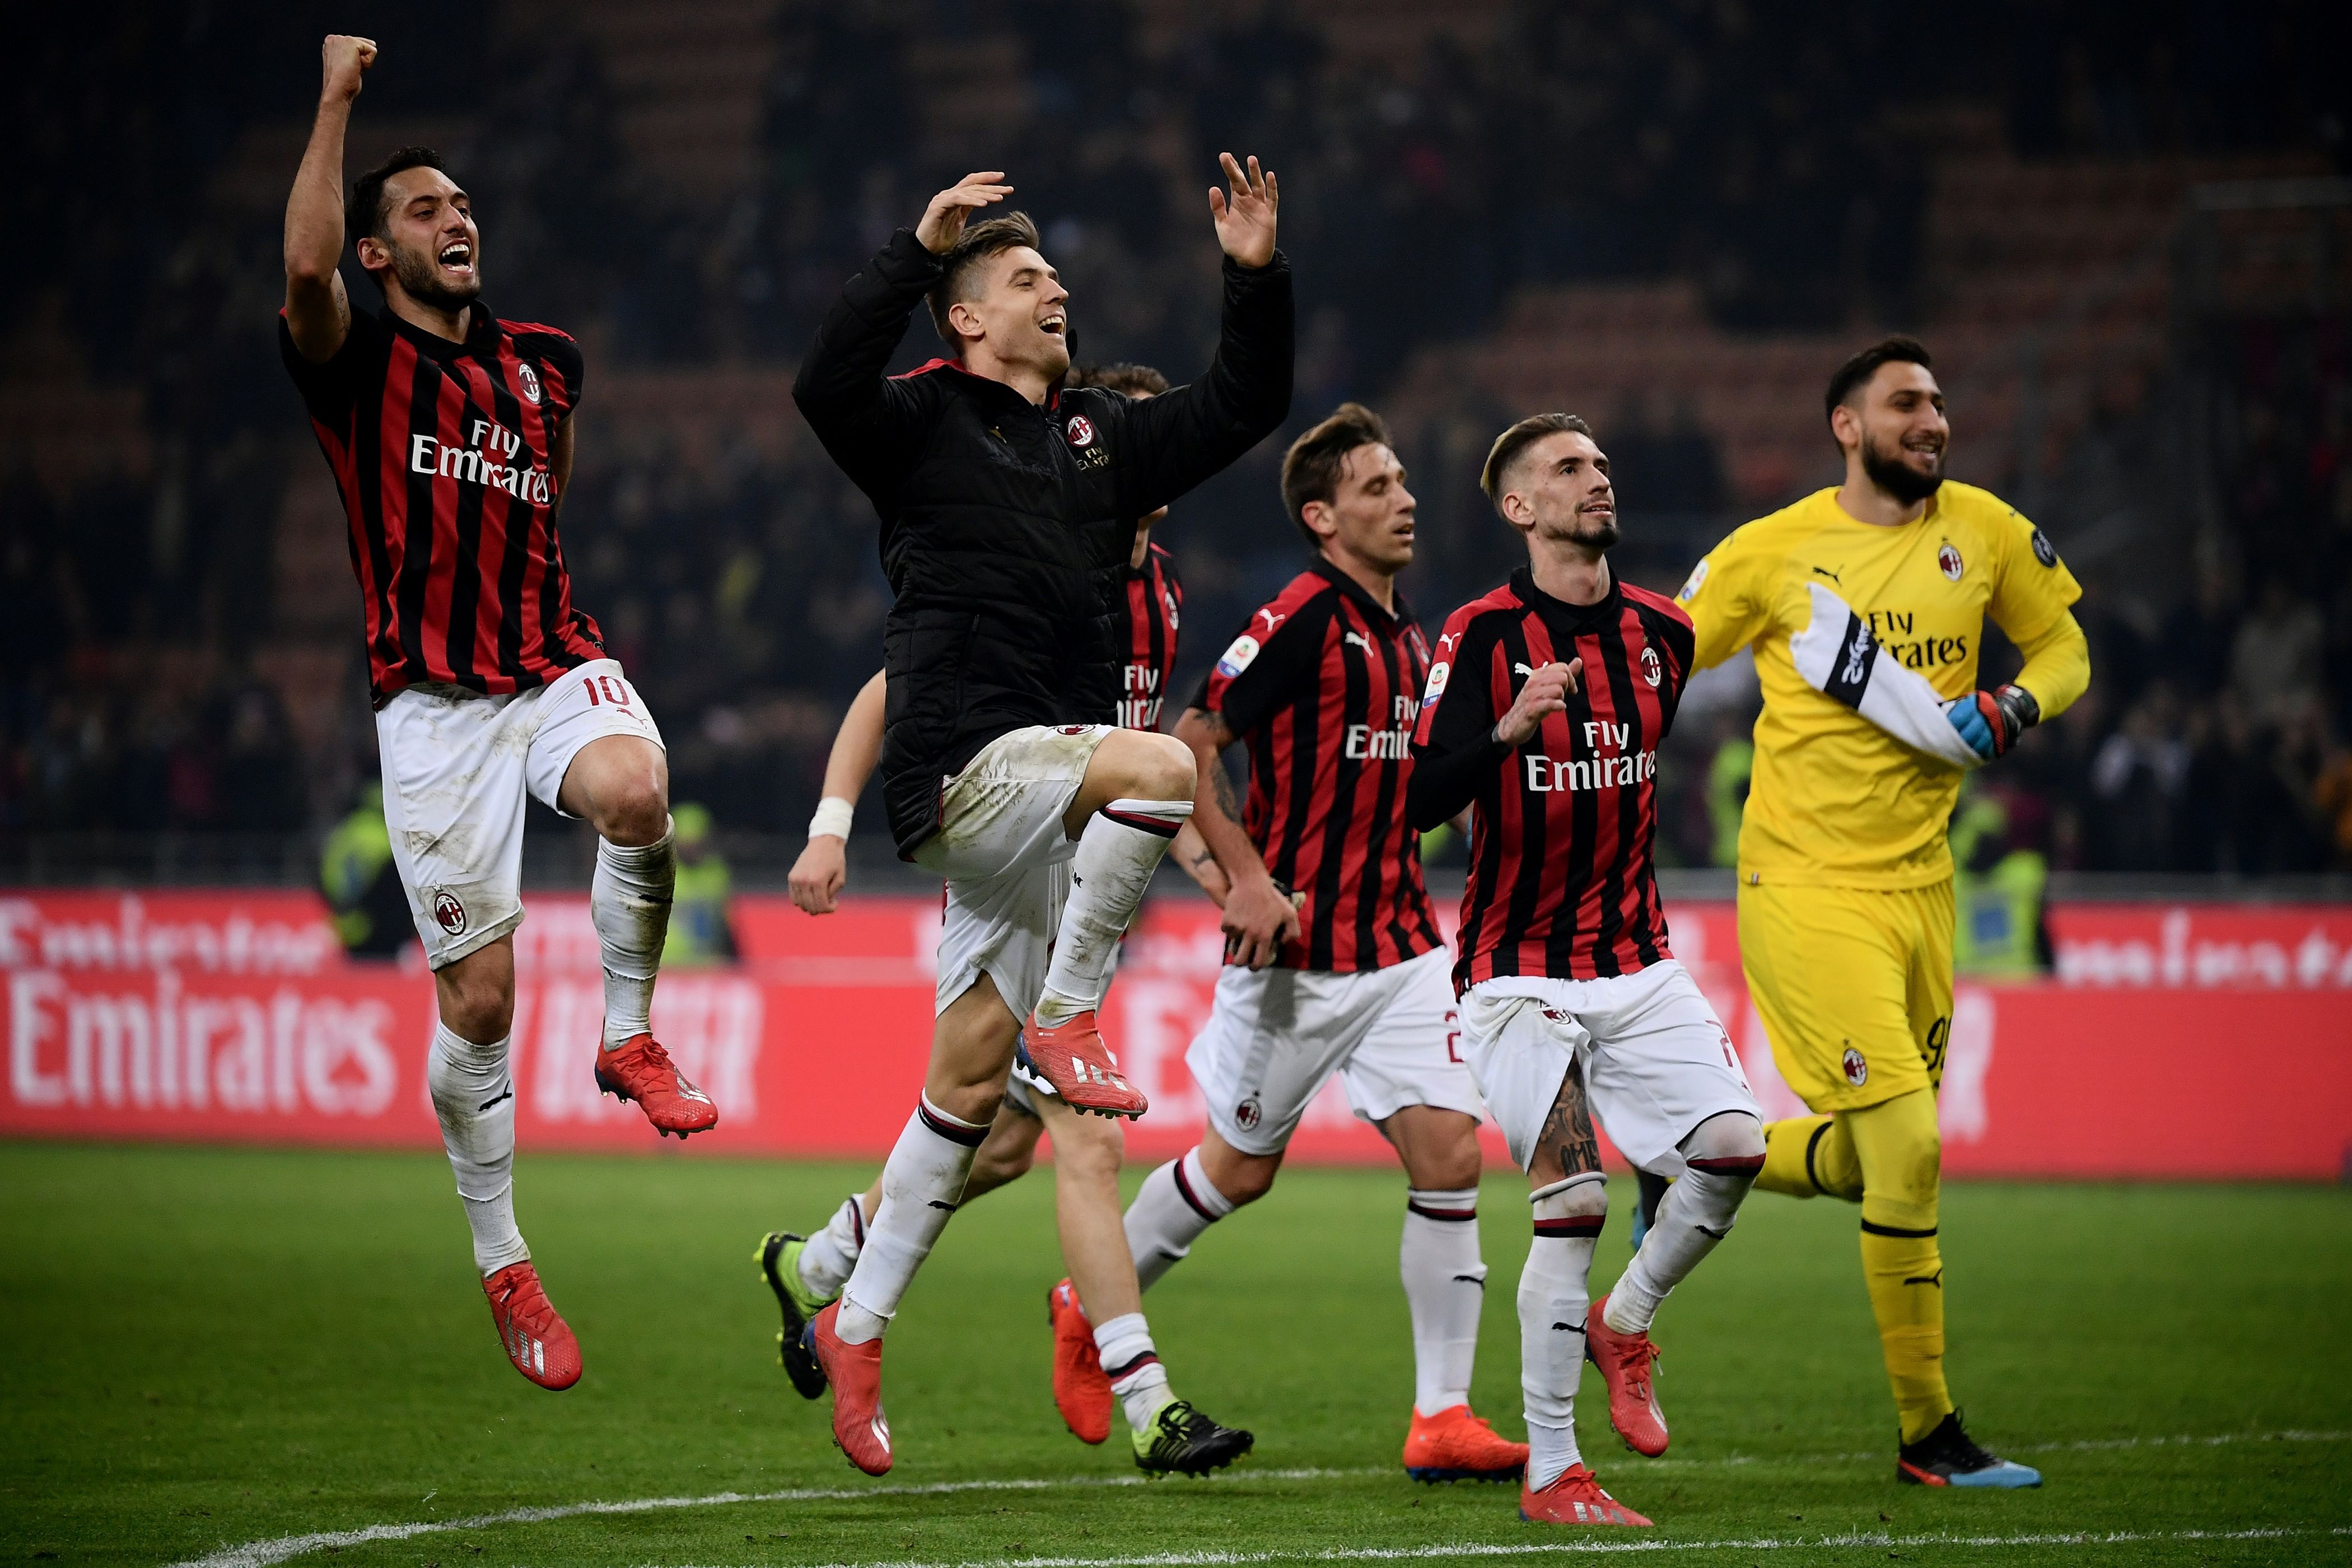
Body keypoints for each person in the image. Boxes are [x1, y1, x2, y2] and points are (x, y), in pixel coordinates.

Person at [789, 158, 1291, 1474]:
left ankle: (854, 1312)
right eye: (1025, 279)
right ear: (965, 317)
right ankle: (1067, 1019)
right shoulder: (916, 419)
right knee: (1167, 771)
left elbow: (1247, 401)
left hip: (1049, 823)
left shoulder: (1096, 438)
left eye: (1057, 275)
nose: (1057, 287)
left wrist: (1251, 276)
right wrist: (912, 251)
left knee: (962, 1091)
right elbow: (821, 387)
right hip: (963, 769)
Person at [278, 37, 715, 1394]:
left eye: (464, 204)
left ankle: (630, 1031)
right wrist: (339, 100)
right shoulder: (352, 364)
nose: (456, 219)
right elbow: (297, 273)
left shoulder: (544, 362)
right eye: (423, 209)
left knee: (639, 793)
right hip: (432, 712)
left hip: (547, 664)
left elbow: (548, 485)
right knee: (480, 1001)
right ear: (375, 255)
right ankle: (505, 1261)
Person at [1676, 336, 2090, 1486]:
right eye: (1906, 402)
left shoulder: (1988, 530)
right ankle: (1929, 1431)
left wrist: (2015, 702)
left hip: (1924, 887)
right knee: (1911, 1144)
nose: (1934, 418)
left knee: (1873, 1166)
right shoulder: (1772, 551)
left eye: (1941, 402)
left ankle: (1700, 1152)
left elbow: (2066, 650)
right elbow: (1658, 654)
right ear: (1845, 426)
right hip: (1806, 885)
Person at [1124, 403, 1527, 1488]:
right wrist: (1245, 877)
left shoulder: (1407, 636)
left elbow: (1405, 802)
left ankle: (1441, 1413)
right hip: (1297, 952)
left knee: (1450, 1153)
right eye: (1375, 487)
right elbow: (1188, 743)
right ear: (1322, 515)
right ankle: (1093, 1302)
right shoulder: (1302, 614)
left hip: (1398, 943)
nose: (1402, 500)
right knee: (1240, 1169)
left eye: (1401, 482)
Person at [1407, 414, 1765, 1529]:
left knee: (1735, 1149)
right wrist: (1507, 732)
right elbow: (1411, 802)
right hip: (1516, 972)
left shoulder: (1666, 632)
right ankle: (1553, 1468)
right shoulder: (1477, 635)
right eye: (1567, 467)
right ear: (1518, 506)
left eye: (1603, 462)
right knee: (1571, 1197)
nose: (1597, 476)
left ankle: (1627, 1316)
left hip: (1637, 959)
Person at [662, 803, 737, 965]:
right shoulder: (658, 872)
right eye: (685, 843)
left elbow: (726, 920)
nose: (690, 849)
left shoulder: (717, 872)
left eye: (695, 842)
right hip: (665, 964)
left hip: (707, 963)